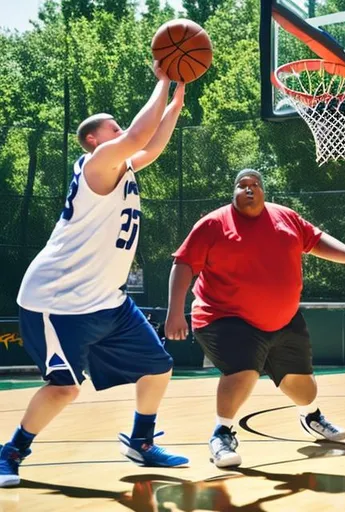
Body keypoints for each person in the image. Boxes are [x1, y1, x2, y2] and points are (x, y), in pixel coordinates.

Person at [0, 63, 187, 488]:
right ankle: (10, 452)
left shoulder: (123, 167)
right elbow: (138, 138)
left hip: (107, 300)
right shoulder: (97, 164)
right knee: (64, 389)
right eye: (114, 128)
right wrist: (162, 78)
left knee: (158, 367)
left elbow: (150, 147)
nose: (122, 132)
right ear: (93, 139)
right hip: (58, 300)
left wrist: (174, 104)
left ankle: (141, 442)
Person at [165, 169, 345, 467]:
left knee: (303, 387)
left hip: (282, 320)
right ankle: (222, 433)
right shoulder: (213, 225)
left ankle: (311, 416)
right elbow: (183, 264)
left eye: (254, 185)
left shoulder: (285, 217)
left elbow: (316, 241)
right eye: (242, 185)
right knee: (243, 369)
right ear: (233, 192)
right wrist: (174, 312)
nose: (248, 189)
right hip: (224, 316)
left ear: (263, 191)